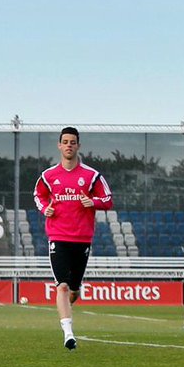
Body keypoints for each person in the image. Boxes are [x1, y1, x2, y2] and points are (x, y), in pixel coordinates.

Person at [34, 126, 114, 350]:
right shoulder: (48, 176)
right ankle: (68, 333)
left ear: (78, 145)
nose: (69, 145)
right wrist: (45, 209)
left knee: (74, 290)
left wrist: (93, 202)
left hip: (82, 239)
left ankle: (74, 294)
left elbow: (107, 199)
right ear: (59, 145)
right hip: (58, 236)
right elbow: (38, 195)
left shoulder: (92, 175)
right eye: (65, 142)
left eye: (73, 142)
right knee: (61, 286)